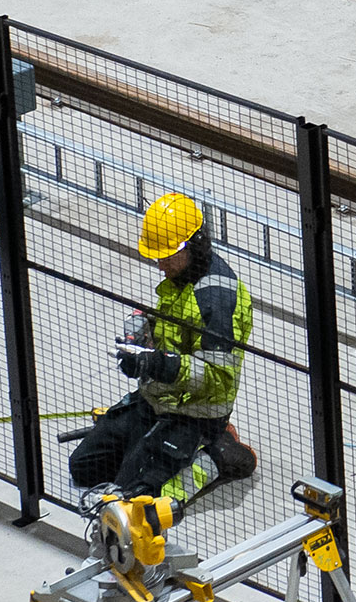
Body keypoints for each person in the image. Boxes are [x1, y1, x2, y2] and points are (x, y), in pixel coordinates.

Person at [68, 193, 259, 508]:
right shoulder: (181, 275)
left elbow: (217, 378)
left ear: (192, 245)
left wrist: (157, 365)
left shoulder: (217, 300)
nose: (160, 263)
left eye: (167, 255)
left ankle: (219, 452)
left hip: (194, 415)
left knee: (138, 496)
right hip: (156, 402)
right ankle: (151, 453)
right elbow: (167, 322)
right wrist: (140, 331)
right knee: (85, 467)